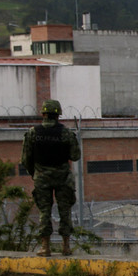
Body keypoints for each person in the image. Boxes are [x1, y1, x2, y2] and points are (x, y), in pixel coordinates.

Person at [21, 99, 81, 257]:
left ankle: (45, 247)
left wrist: (35, 173)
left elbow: (25, 159)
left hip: (42, 178)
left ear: (43, 114)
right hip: (63, 178)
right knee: (65, 211)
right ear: (58, 115)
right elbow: (75, 156)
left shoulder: (33, 132)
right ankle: (66, 247)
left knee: (44, 212)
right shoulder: (66, 133)